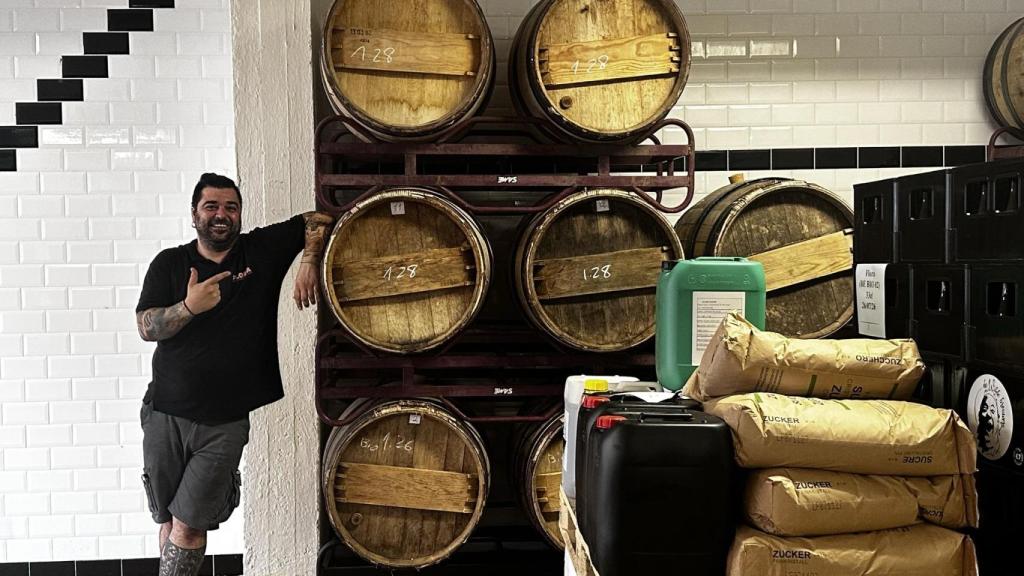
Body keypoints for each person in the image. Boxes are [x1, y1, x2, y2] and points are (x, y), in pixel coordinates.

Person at [135, 173, 333, 575]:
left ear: (240, 213)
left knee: (189, 526)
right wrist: (188, 307)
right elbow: (145, 327)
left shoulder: (259, 251)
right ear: (194, 214)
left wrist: (309, 261)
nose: (221, 214)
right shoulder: (170, 263)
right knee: (168, 519)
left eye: (230, 206)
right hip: (163, 414)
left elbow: (318, 219)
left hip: (223, 424)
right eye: (211, 206)